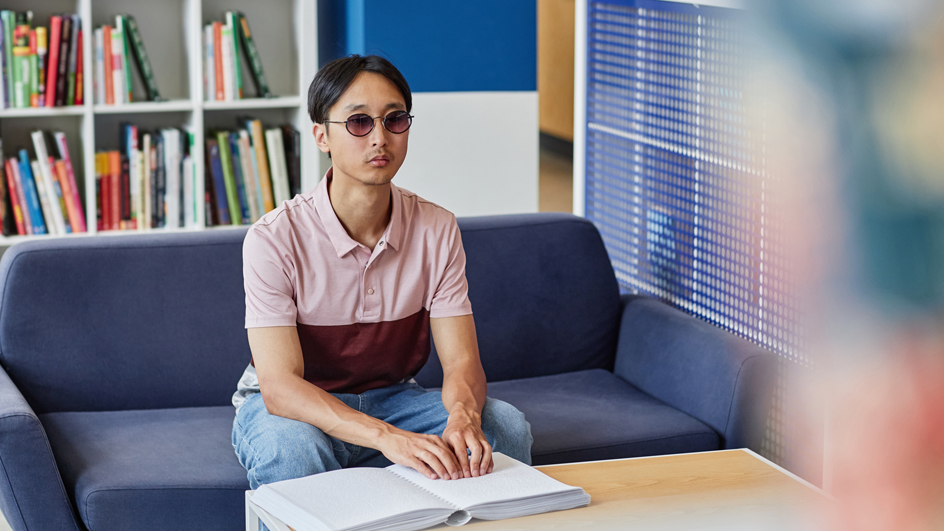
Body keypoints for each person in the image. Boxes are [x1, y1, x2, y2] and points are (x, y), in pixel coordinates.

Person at [231, 54, 533, 490]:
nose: (380, 138)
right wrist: (387, 438)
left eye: (394, 120)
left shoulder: (437, 228)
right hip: (293, 406)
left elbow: (462, 362)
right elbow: (280, 387)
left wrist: (463, 419)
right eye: (358, 122)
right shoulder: (274, 238)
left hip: (393, 398)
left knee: (504, 427)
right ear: (321, 136)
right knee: (293, 450)